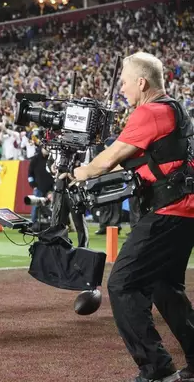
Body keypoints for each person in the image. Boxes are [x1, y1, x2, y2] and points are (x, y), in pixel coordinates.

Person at [71, 52, 194, 382]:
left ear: (142, 82)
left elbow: (104, 162)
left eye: (125, 82)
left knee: (123, 284)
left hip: (171, 211)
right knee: (166, 288)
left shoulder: (149, 113)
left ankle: (156, 369)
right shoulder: (173, 109)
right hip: (185, 211)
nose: (123, 88)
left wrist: (75, 172)